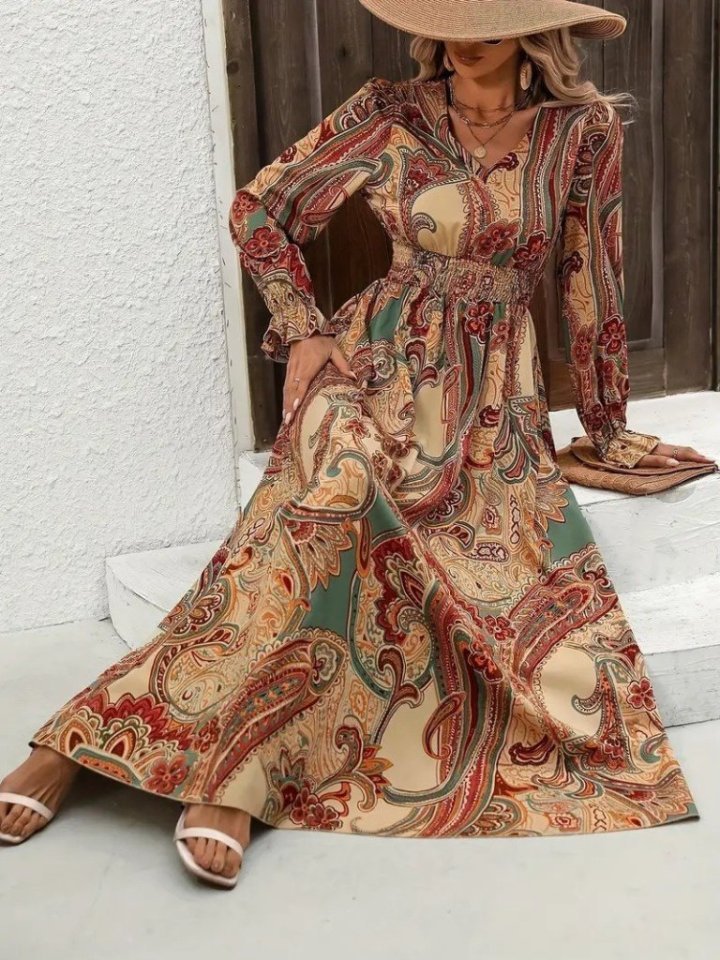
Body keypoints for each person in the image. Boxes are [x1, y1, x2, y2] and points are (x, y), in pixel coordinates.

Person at [1, 0, 710, 888]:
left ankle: (224, 771)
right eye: (454, 18)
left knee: (448, 561)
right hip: (374, 360)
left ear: (535, 27)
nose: (468, 36)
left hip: (490, 400)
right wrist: (303, 326)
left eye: (493, 20)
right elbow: (260, 208)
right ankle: (78, 743)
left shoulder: (582, 129)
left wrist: (606, 426)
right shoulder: (388, 111)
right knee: (334, 486)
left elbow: (592, 279)